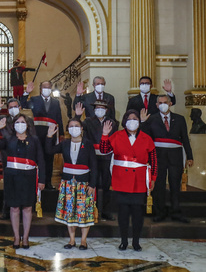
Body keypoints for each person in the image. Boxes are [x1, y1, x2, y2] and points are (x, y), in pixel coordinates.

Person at [100, 110, 158, 251]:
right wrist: (105, 134)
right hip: (121, 179)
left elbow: (154, 160)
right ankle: (124, 241)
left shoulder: (146, 138)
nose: (132, 121)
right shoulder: (117, 135)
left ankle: (136, 241)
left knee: (138, 213)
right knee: (123, 213)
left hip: (139, 180)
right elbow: (104, 150)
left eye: (135, 118)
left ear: (139, 121)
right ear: (125, 121)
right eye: (129, 118)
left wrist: (153, 178)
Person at [0, 114, 45, 249]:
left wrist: (42, 180)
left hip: (29, 177)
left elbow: (41, 160)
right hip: (12, 177)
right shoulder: (9, 139)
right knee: (14, 208)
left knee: (27, 208)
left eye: (23, 122)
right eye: (17, 122)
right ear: (14, 125)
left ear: (27, 125)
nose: (20, 124)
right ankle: (16, 237)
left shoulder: (35, 140)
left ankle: (25, 237)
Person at [141, 95, 193, 223]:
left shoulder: (180, 119)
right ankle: (160, 212)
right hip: (158, 155)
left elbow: (185, 138)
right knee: (159, 185)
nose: (163, 104)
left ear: (170, 104)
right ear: (157, 105)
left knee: (175, 184)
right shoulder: (151, 119)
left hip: (176, 155)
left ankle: (176, 212)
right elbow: (145, 139)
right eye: (160, 102)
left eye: (165, 102)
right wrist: (143, 123)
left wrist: (190, 156)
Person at [46, 118, 97, 250]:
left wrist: (92, 184)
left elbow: (94, 166)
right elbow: (49, 151)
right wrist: (49, 136)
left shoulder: (88, 144)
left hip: (84, 183)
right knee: (70, 212)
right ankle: (72, 240)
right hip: (68, 182)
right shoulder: (65, 143)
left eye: (76, 126)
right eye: (71, 126)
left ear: (81, 129)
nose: (74, 128)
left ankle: (83, 240)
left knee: (83, 212)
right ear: (68, 129)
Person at [0, 97, 35, 220]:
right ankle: (7, 210)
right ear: (8, 109)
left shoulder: (27, 120)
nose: (13, 109)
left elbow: (33, 137)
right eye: (10, 107)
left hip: (24, 157)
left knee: (25, 184)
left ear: (19, 107)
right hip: (7, 156)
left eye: (15, 106)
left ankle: (25, 210)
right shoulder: (4, 119)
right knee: (9, 185)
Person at [75, 100, 118, 221]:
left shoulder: (112, 123)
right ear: (94, 109)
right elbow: (76, 126)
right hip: (92, 157)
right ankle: (90, 209)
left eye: (102, 108)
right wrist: (77, 115)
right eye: (97, 108)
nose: (100, 110)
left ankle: (105, 211)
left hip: (107, 157)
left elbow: (114, 139)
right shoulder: (88, 121)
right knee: (91, 184)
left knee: (106, 185)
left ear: (106, 110)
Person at [20, 80, 64, 189]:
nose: (47, 89)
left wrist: (62, 133)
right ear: (40, 89)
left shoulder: (56, 102)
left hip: (51, 135)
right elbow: (23, 104)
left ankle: (48, 182)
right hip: (37, 134)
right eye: (44, 87)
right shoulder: (35, 99)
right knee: (37, 157)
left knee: (49, 159)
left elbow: (59, 118)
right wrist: (26, 93)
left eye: (49, 87)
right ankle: (36, 181)